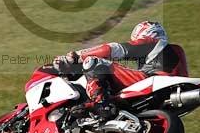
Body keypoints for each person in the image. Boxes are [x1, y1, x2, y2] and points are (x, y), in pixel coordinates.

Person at [54, 21, 192, 120]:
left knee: (94, 62)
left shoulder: (152, 43)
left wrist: (77, 56)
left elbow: (112, 49)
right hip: (169, 92)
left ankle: (102, 104)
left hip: (154, 80)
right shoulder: (175, 50)